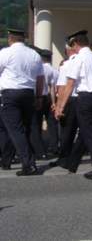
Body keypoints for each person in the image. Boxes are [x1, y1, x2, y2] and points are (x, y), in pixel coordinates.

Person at [54, 30, 92, 180]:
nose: (73, 47)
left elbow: (70, 84)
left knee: (91, 134)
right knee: (86, 132)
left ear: (76, 43)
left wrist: (61, 107)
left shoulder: (78, 59)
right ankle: (72, 163)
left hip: (86, 97)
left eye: (73, 44)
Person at [0, 28, 44, 176]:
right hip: (28, 93)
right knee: (25, 128)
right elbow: (40, 79)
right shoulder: (34, 54)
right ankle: (9, 160)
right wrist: (39, 97)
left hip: (10, 93)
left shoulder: (6, 53)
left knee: (15, 130)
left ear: (10, 38)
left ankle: (29, 164)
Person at [48, 43, 78, 170]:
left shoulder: (67, 65)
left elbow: (62, 88)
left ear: (67, 51)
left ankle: (64, 158)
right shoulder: (87, 61)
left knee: (67, 131)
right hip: (85, 99)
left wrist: (59, 106)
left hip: (70, 100)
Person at [29, 49, 59, 159]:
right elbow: (52, 88)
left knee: (36, 124)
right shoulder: (53, 70)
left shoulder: (38, 68)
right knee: (52, 124)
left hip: (38, 96)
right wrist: (54, 102)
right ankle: (54, 147)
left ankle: (38, 148)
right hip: (48, 98)